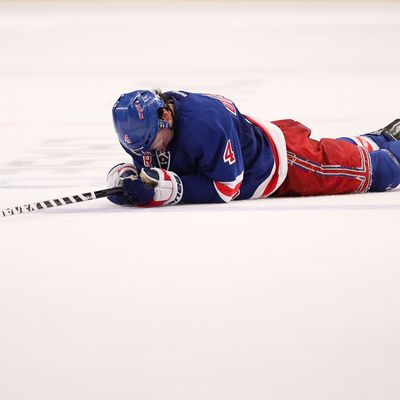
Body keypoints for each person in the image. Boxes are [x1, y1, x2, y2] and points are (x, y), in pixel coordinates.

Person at [106, 89, 400, 207]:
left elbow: (228, 187)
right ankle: (382, 138)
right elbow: (145, 165)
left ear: (166, 117)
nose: (151, 152)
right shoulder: (143, 128)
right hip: (263, 141)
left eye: (155, 142)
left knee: (375, 172)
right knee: (341, 154)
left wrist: (165, 190)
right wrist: (123, 179)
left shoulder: (205, 124)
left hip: (286, 164)